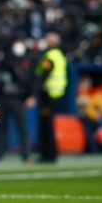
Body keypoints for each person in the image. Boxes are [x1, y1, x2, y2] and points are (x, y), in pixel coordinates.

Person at [0, 37, 36, 163]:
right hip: (3, 97)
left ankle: (26, 155)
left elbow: (29, 80)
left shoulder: (27, 60)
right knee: (0, 127)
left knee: (22, 128)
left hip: (18, 98)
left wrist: (30, 96)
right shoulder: (6, 57)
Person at [34, 32, 68, 163]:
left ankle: (49, 154)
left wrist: (35, 93)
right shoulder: (60, 56)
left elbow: (44, 75)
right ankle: (50, 153)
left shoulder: (50, 56)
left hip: (48, 94)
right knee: (49, 125)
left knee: (46, 126)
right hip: (56, 94)